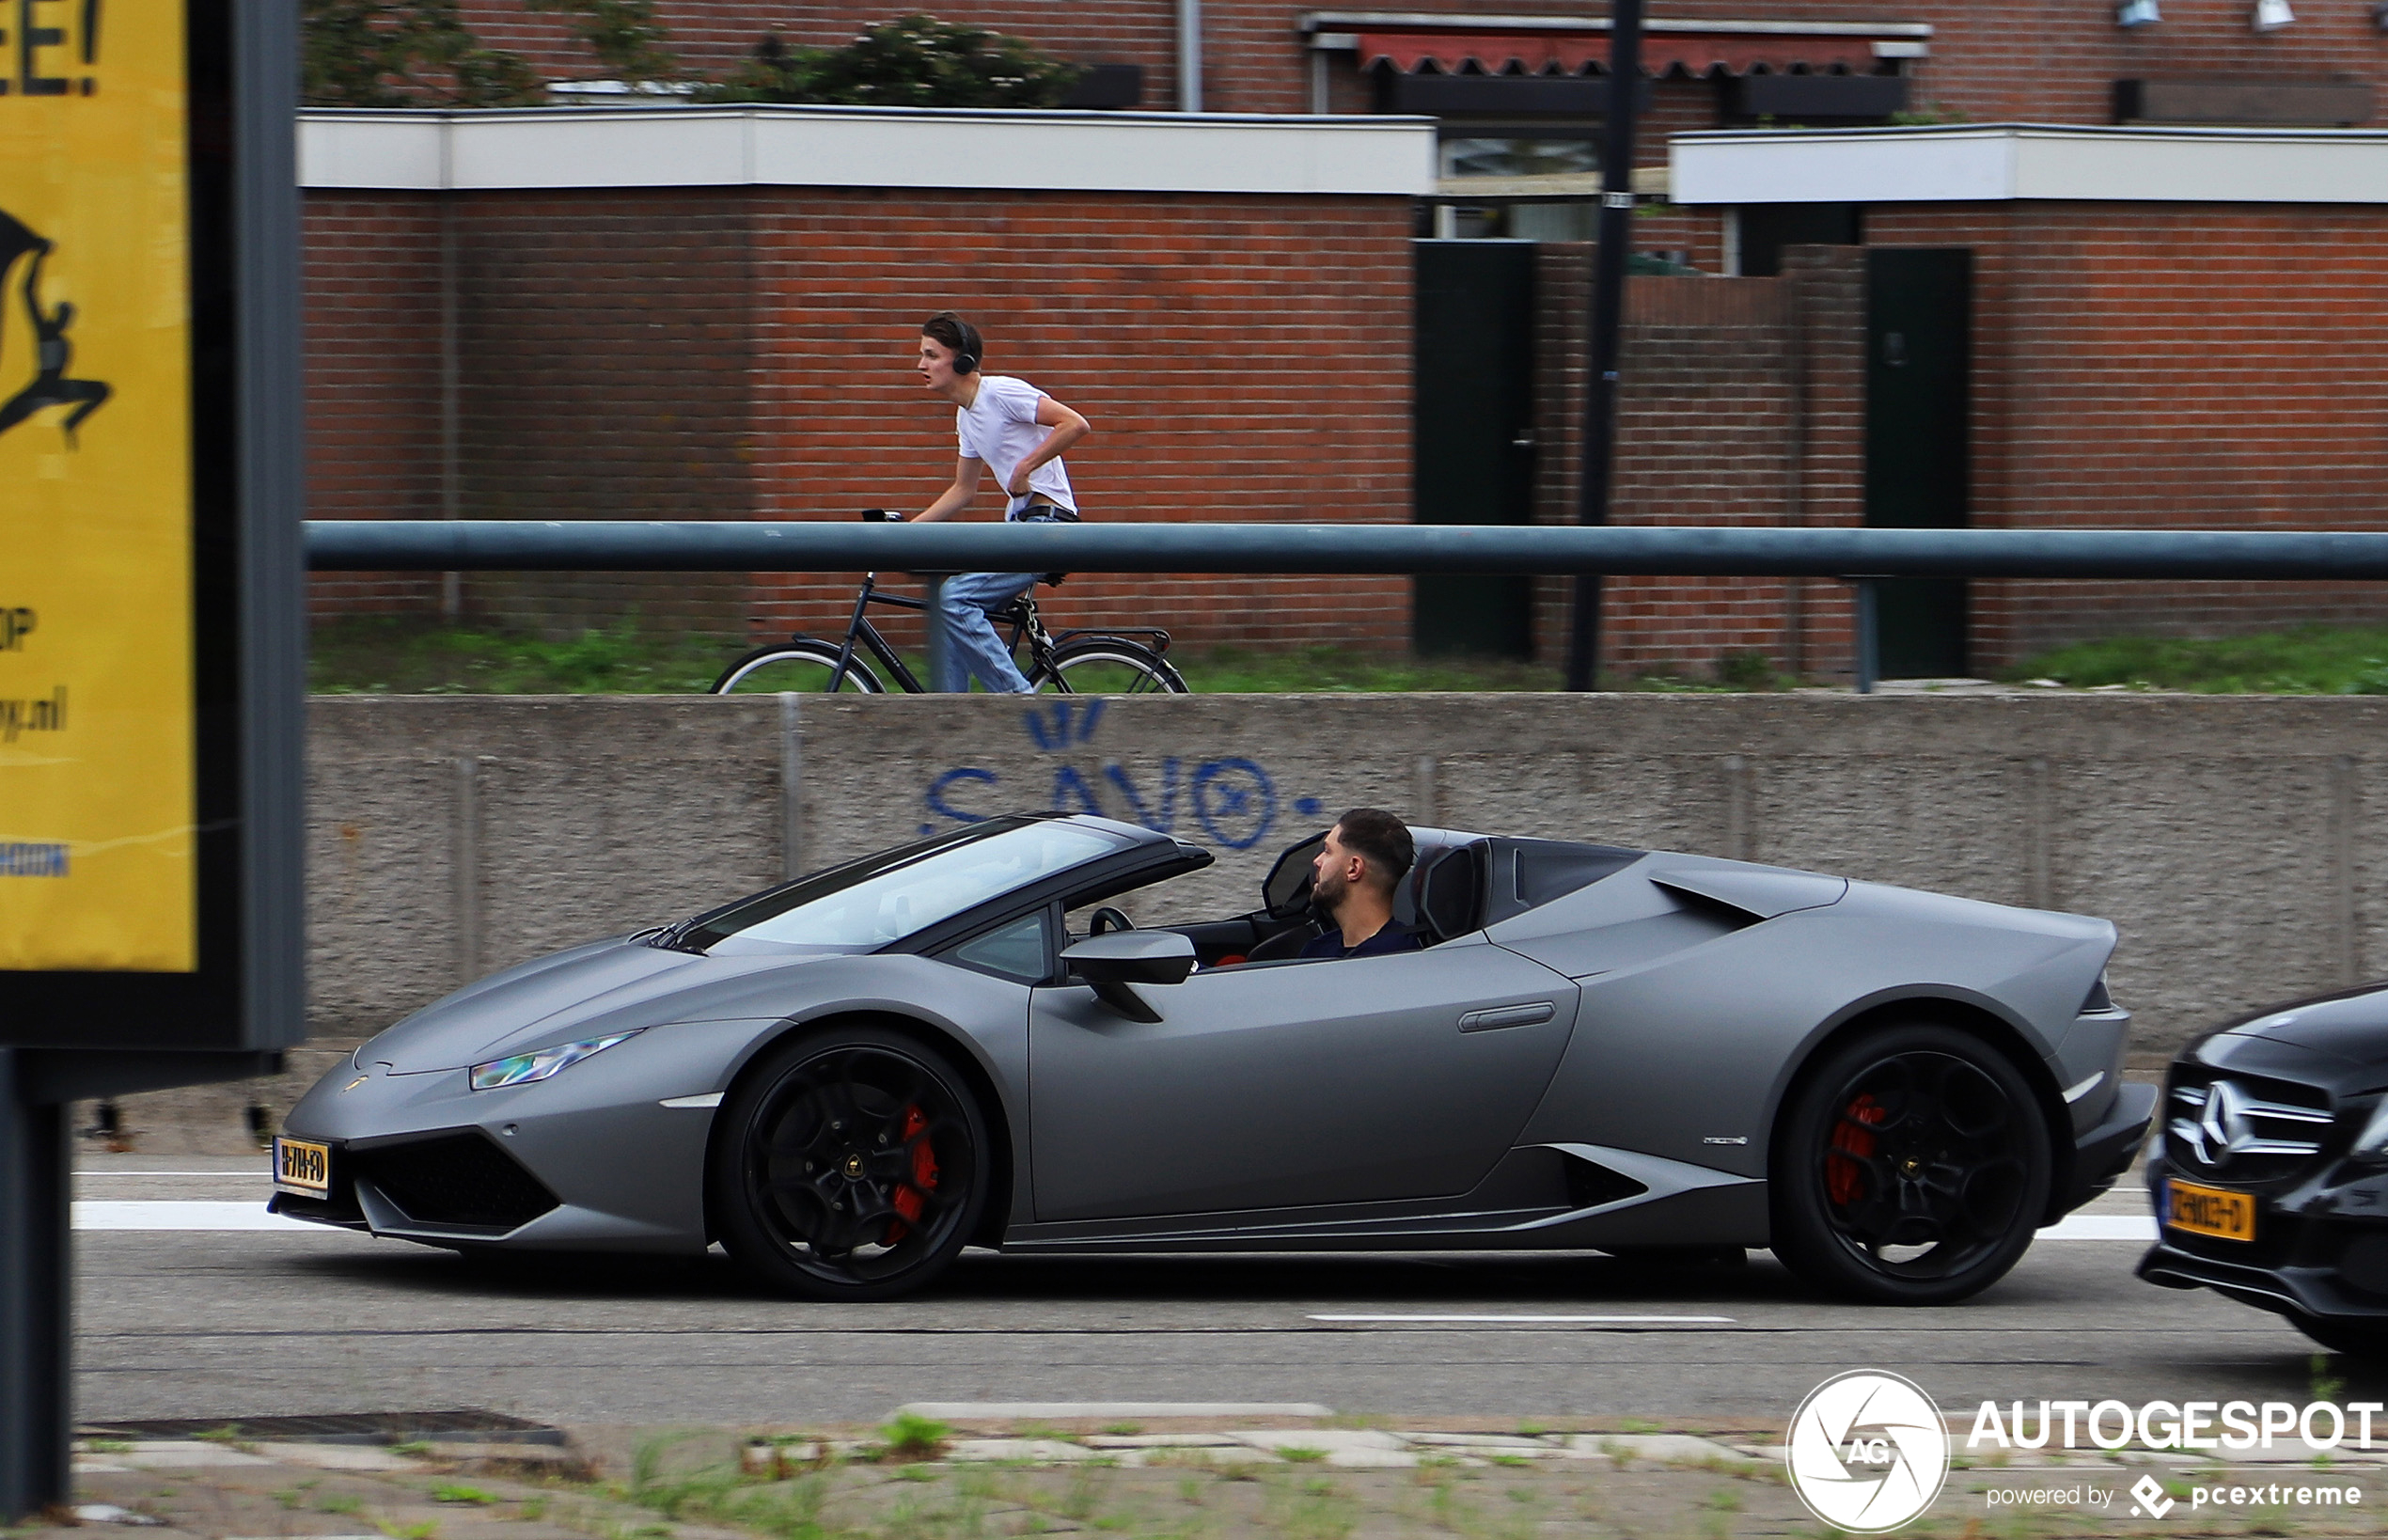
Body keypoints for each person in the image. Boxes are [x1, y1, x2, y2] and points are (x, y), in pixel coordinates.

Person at [910, 311, 1091, 693]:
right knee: (948, 613)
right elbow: (963, 490)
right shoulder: (966, 417)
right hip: (1020, 529)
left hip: (1048, 527)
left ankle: (1018, 705)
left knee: (955, 599)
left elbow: (1074, 423)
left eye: (931, 355)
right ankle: (952, 721)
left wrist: (1026, 466)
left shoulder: (1002, 392)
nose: (920, 365)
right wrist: (908, 532)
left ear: (961, 361)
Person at [1296, 808, 1426, 960]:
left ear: (1354, 869)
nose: (1317, 861)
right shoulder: (1317, 949)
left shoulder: (1395, 960)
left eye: (1328, 851)